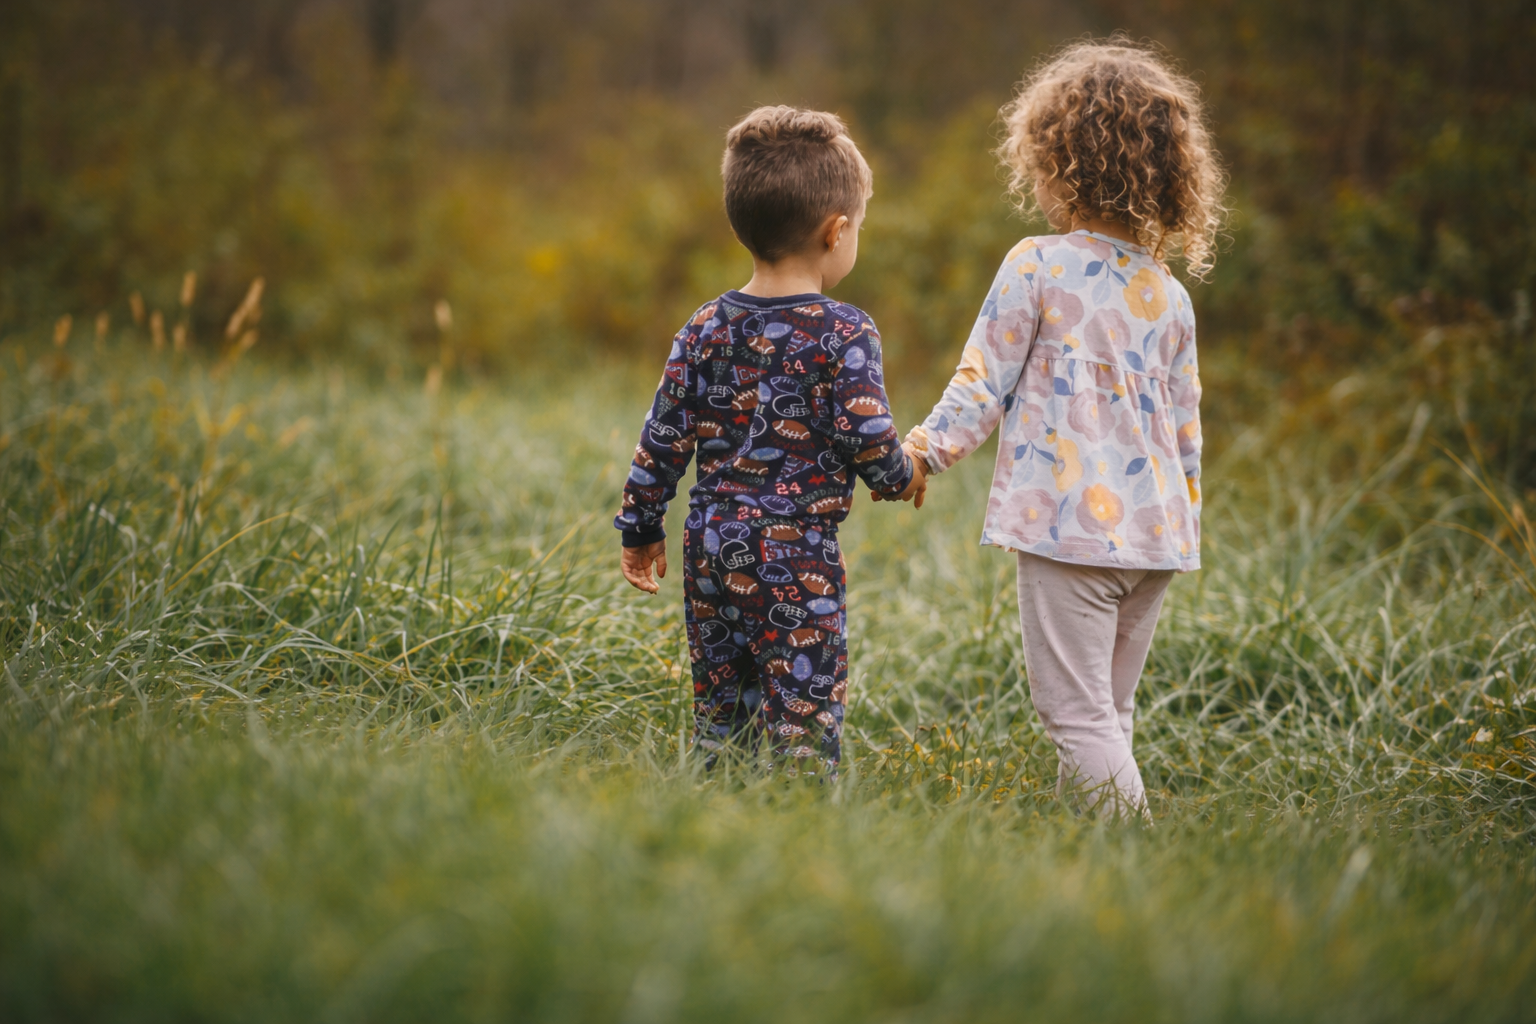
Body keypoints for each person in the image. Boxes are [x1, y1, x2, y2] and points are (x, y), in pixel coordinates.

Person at [902, 41, 1225, 819]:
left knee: (1076, 717)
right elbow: (1188, 431)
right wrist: (1181, 527)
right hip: (1155, 537)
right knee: (1107, 715)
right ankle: (1087, 856)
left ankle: (1135, 862)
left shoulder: (1038, 265)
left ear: (1058, 164)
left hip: (1069, 532)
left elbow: (982, 382)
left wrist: (920, 451)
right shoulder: (1169, 295)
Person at [616, 105, 926, 774]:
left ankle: (712, 816)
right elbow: (867, 434)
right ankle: (802, 827)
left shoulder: (703, 326)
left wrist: (640, 527)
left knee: (722, 710)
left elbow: (661, 438)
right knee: (803, 712)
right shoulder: (845, 332)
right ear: (835, 231)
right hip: (794, 555)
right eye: (859, 229)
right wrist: (904, 476)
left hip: (710, 546)